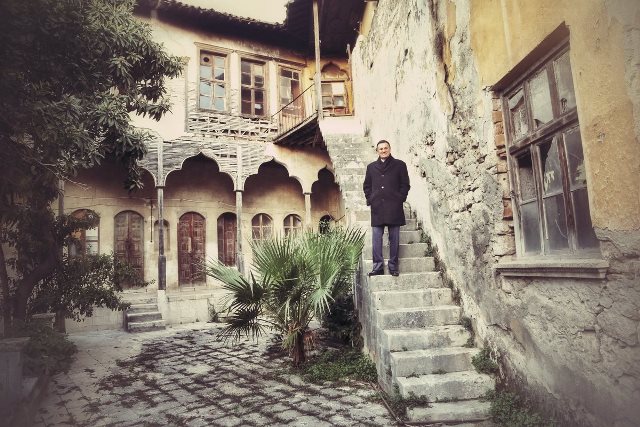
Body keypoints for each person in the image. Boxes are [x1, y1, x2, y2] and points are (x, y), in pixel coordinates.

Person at [362, 140, 410, 277]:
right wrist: (371, 198)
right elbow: (367, 186)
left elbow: (405, 184)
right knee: (376, 239)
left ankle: (393, 266)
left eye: (385, 148)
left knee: (394, 239)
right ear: (377, 151)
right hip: (377, 208)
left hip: (394, 207)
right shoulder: (371, 167)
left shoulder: (400, 165)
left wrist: (400, 198)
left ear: (389, 149)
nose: (383, 150)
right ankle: (378, 267)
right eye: (381, 149)